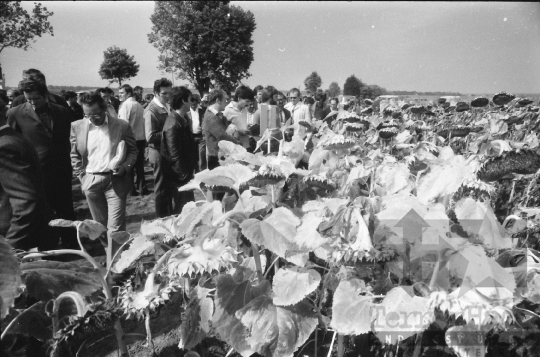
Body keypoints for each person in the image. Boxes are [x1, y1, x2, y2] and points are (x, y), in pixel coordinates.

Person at [6, 78, 78, 249]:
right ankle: (49, 247)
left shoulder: (62, 111)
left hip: (61, 169)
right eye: (28, 99)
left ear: (45, 95)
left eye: (36, 99)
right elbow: (13, 143)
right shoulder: (16, 113)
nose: (32, 103)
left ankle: (71, 243)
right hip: (35, 173)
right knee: (43, 212)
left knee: (65, 208)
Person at [70, 92, 138, 245]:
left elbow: (133, 151)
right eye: (87, 115)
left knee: (116, 229)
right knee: (99, 228)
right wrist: (82, 177)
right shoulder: (77, 127)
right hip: (91, 182)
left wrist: (125, 167)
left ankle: (118, 264)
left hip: (115, 181)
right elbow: (74, 155)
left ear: (105, 109)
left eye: (96, 114)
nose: (92, 119)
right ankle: (111, 259)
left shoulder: (121, 126)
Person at [0, 95, 56, 251]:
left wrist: (10, 247)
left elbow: (26, 201)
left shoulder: (4, 146)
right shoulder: (12, 138)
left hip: (12, 236)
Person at [158, 86, 198, 217]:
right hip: (179, 178)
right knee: (183, 211)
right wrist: (184, 177)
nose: (192, 102)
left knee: (188, 210)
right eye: (190, 99)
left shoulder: (180, 119)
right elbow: (174, 154)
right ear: (183, 101)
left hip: (184, 174)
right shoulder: (173, 123)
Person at [145, 78, 172, 216]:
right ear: (156, 93)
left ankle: (168, 216)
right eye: (164, 93)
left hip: (166, 153)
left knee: (168, 189)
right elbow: (150, 136)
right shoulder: (152, 110)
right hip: (157, 154)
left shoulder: (165, 106)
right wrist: (171, 132)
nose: (167, 96)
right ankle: (162, 219)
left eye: (169, 93)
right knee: (161, 190)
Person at [118, 84, 149, 196]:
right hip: (140, 139)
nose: (119, 95)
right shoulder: (139, 105)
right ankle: (142, 187)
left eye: (122, 93)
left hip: (129, 139)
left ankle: (131, 189)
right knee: (139, 166)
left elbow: (123, 124)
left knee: (129, 165)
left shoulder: (125, 106)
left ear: (129, 93)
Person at [202, 88, 239, 171]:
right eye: (225, 100)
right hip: (216, 157)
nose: (226, 102)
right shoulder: (211, 117)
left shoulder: (217, 115)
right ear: (218, 100)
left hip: (220, 156)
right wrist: (238, 143)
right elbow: (222, 135)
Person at [186, 93, 207, 171]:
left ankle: (202, 173)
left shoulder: (203, 110)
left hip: (201, 137)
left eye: (195, 104)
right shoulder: (186, 112)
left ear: (198, 103)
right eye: (191, 104)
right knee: (193, 157)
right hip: (191, 137)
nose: (193, 106)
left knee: (202, 157)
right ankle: (195, 173)